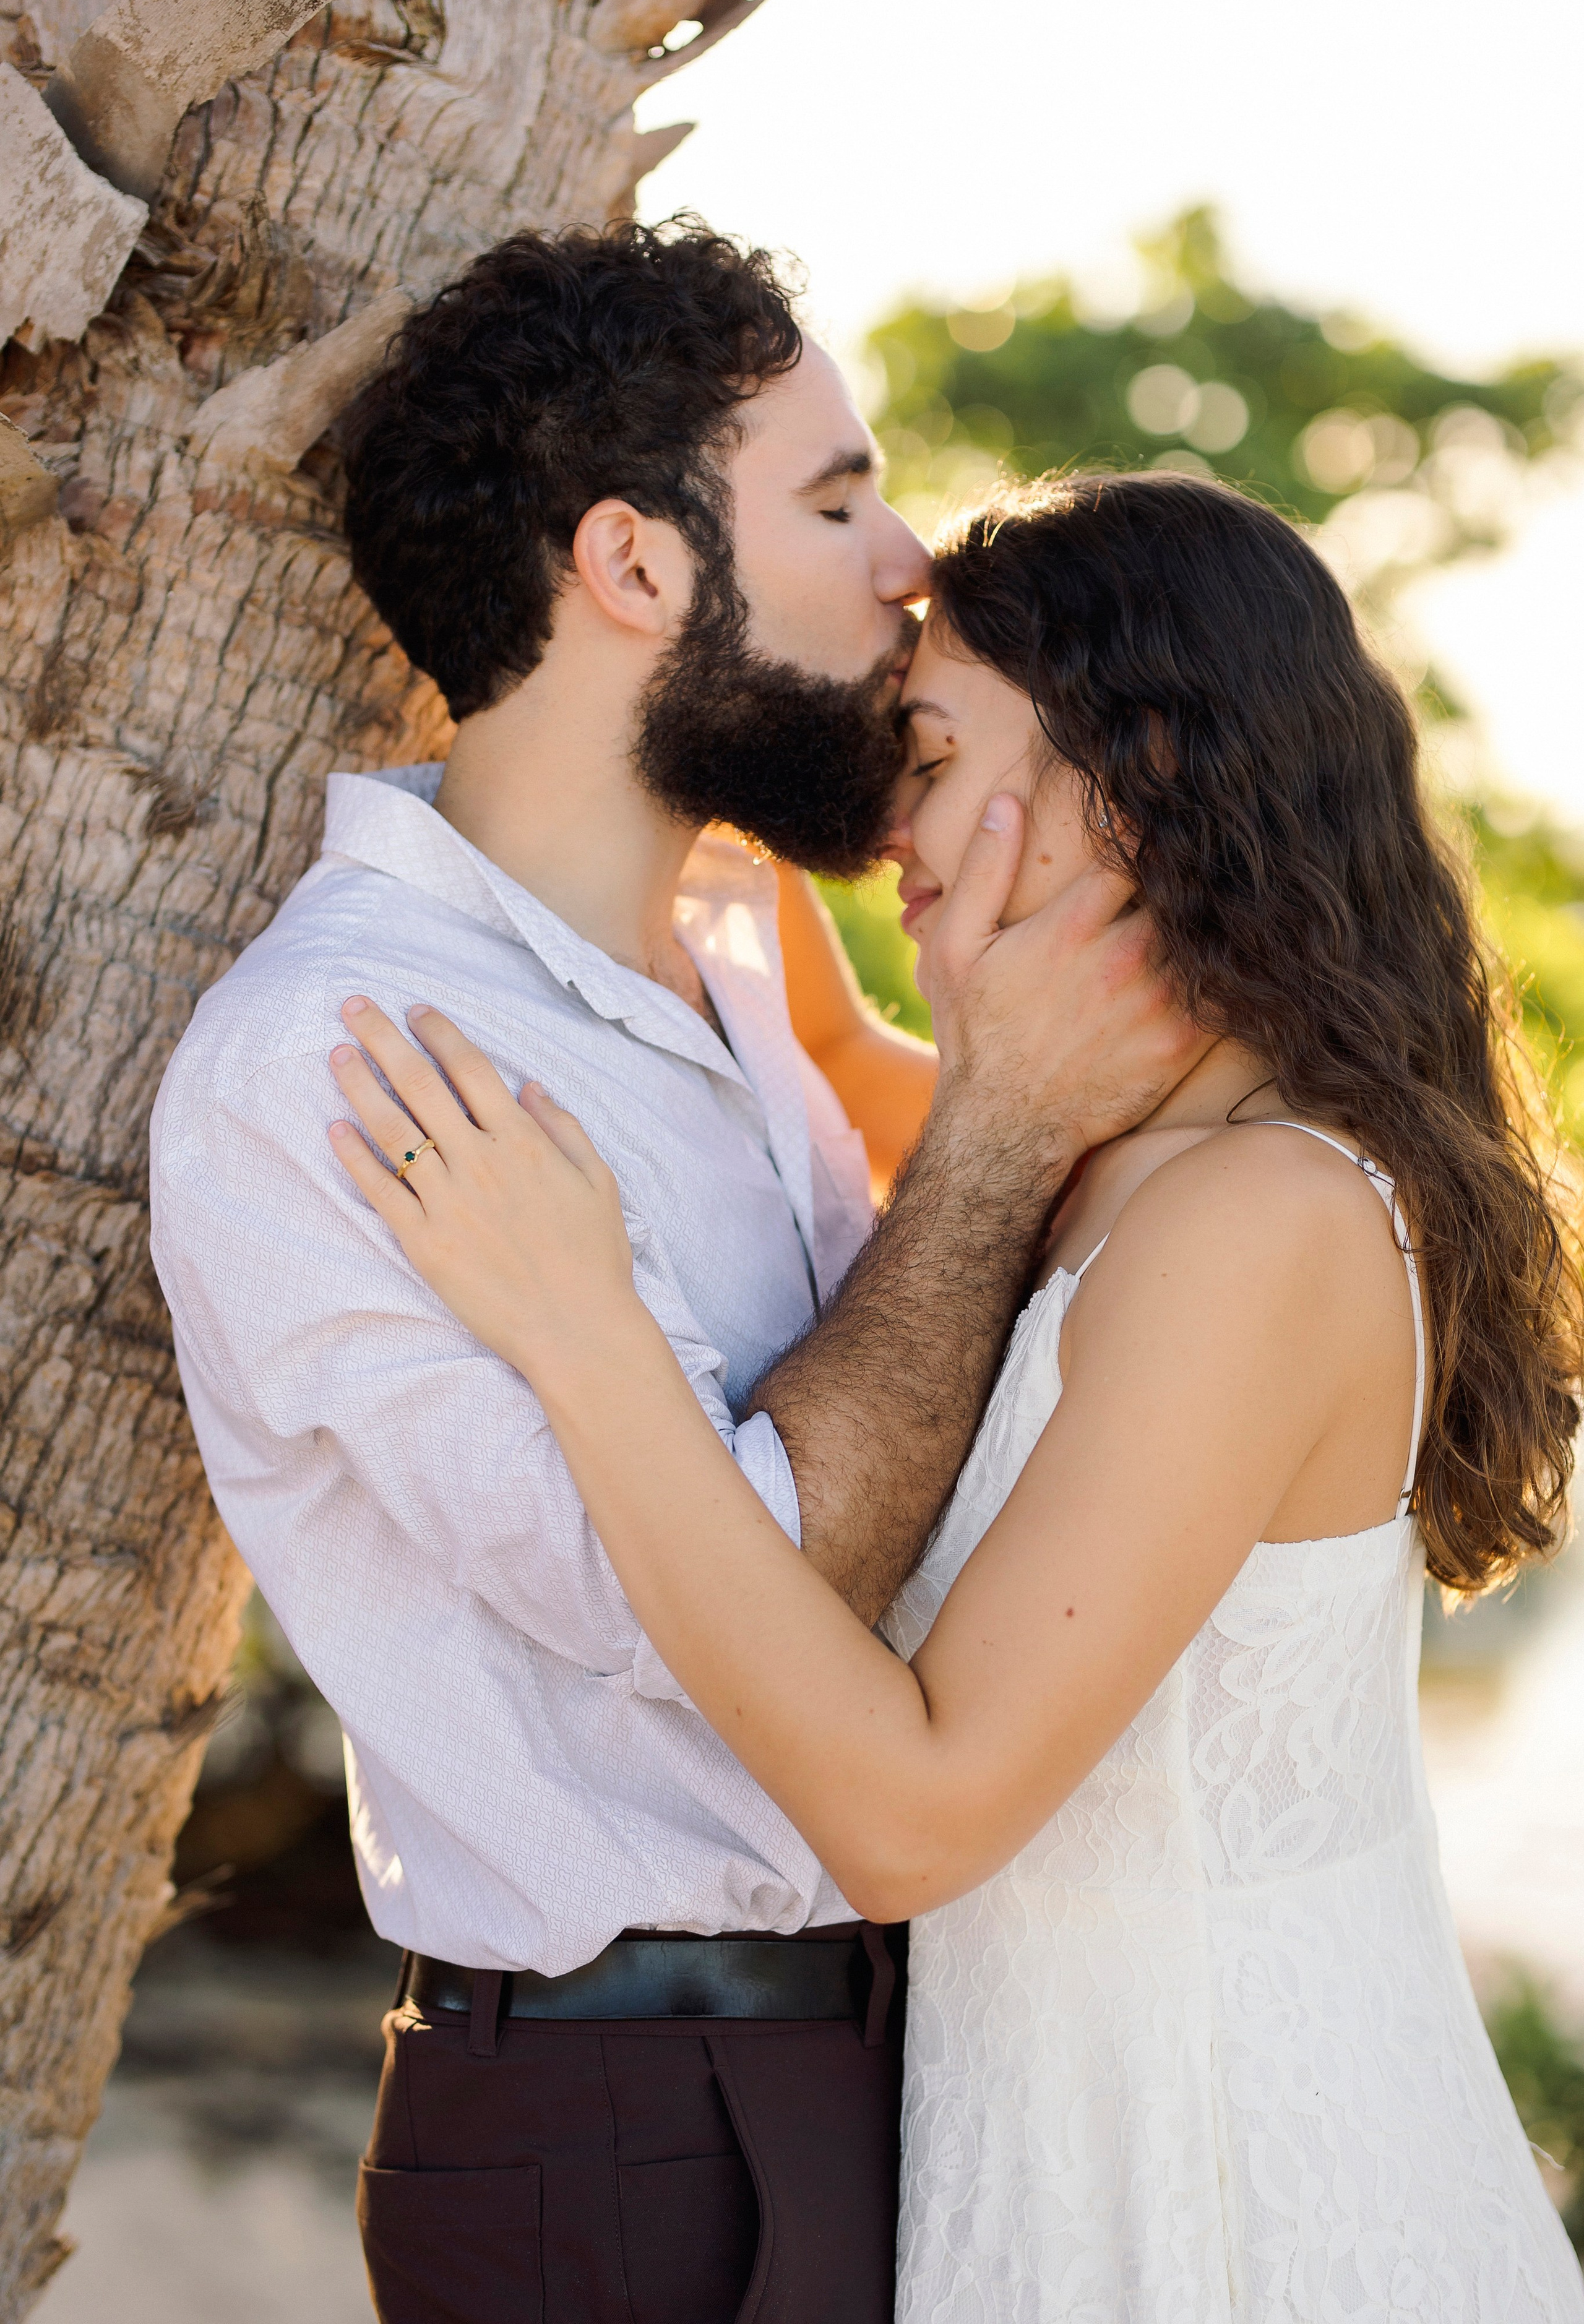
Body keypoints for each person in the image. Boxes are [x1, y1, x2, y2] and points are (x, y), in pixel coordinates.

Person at [325, 471, 1584, 2320]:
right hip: (1059, 2126)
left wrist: (586, 1342)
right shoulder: (1115, 1147)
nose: (880, 822)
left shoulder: (1260, 1218)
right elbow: (865, 1073)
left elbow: (914, 1817)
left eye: (921, 754)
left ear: (1133, 765)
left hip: (1223, 2187)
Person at [148, 229, 1196, 2324]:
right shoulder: (342, 1071)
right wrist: (991, 1131)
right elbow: (744, 1583)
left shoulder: (723, 962)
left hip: (917, 2060)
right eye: (833, 499)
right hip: (640, 2142)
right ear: (633, 568)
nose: (909, 564)